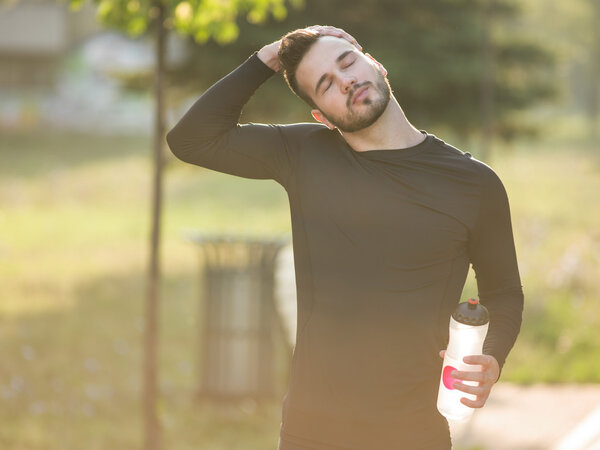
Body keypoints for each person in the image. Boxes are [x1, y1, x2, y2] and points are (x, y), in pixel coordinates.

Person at [166, 25, 524, 450]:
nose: (345, 81)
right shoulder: (304, 154)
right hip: (311, 432)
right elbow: (191, 139)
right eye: (325, 85)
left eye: (347, 62)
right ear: (321, 116)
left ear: (376, 65)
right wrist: (267, 58)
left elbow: (504, 293)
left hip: (415, 432)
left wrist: (493, 359)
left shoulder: (473, 184)